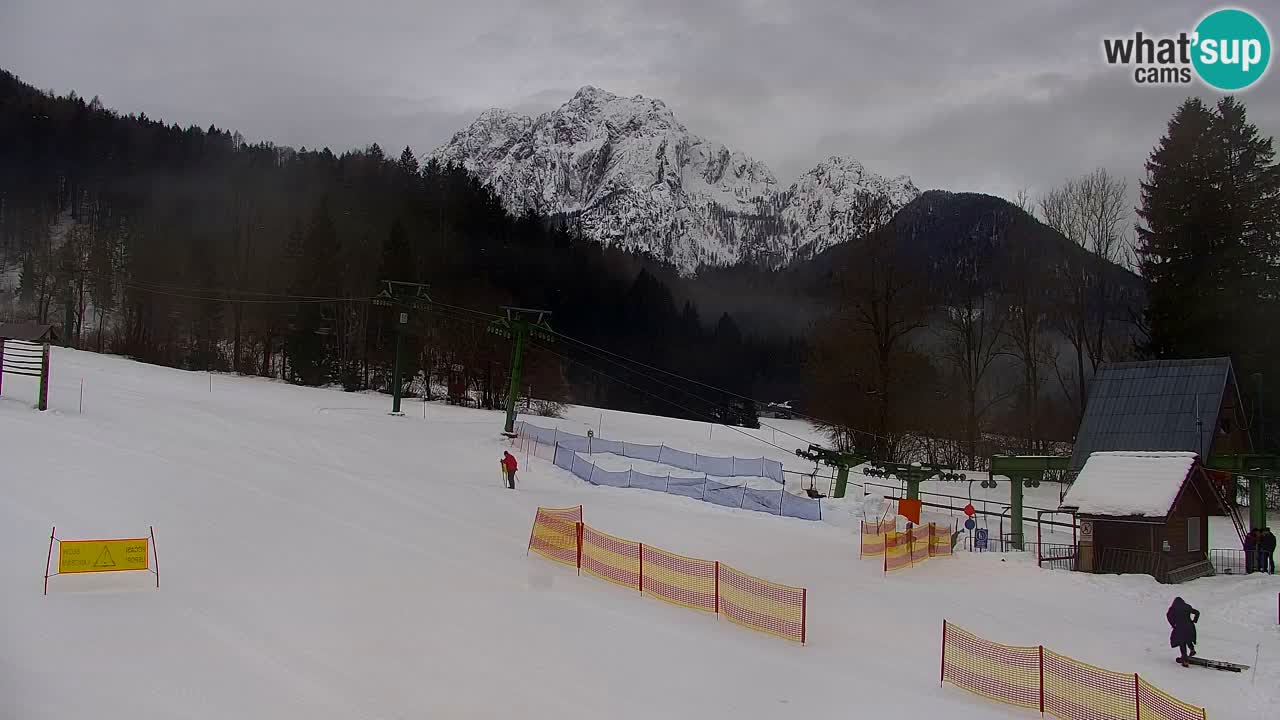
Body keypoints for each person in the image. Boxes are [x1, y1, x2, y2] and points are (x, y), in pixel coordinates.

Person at [1167, 596, 1200, 664]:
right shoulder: (1187, 607)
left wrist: (1173, 624)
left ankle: (1185, 660)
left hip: (1180, 627)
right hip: (1190, 626)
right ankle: (1192, 649)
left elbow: (1168, 616)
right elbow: (1197, 612)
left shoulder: (1173, 608)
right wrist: (1194, 620)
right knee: (1188, 638)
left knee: (1182, 642)